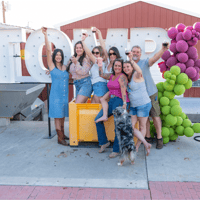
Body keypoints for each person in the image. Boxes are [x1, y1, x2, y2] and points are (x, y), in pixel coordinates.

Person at [131, 43, 169, 149]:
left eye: (138, 52)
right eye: (134, 51)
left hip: (151, 93)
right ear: (131, 53)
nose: (136, 53)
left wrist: (163, 49)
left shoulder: (144, 62)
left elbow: (154, 59)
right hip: (140, 97)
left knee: (155, 116)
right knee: (145, 118)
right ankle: (148, 137)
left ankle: (159, 138)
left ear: (140, 54)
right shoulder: (129, 64)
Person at [95, 58, 130, 158]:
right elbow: (101, 74)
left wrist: (124, 104)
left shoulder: (122, 76)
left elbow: (124, 90)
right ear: (113, 66)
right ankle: (104, 142)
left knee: (118, 126)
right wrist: (100, 65)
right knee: (98, 119)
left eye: (119, 66)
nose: (117, 67)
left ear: (121, 67)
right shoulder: (111, 76)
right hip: (111, 101)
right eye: (116, 65)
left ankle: (116, 150)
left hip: (119, 101)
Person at [42, 27, 68, 146]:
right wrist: (45, 35)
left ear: (62, 57)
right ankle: (59, 138)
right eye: (56, 55)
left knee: (62, 115)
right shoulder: (52, 66)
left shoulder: (65, 67)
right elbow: (48, 50)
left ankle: (62, 133)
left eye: (60, 55)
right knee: (57, 116)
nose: (58, 56)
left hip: (64, 96)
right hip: (55, 96)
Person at [123, 54, 152, 151]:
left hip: (143, 104)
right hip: (133, 106)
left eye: (128, 67)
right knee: (129, 127)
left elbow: (139, 70)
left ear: (132, 67)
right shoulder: (127, 78)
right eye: (124, 67)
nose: (126, 68)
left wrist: (131, 60)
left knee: (142, 126)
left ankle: (137, 147)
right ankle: (146, 143)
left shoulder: (136, 74)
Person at [81, 34, 108, 103]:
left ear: (101, 53)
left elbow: (89, 54)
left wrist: (83, 41)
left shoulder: (99, 61)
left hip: (100, 84)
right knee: (94, 105)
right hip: (96, 85)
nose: (94, 54)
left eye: (97, 53)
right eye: (93, 52)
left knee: (98, 107)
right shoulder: (95, 63)